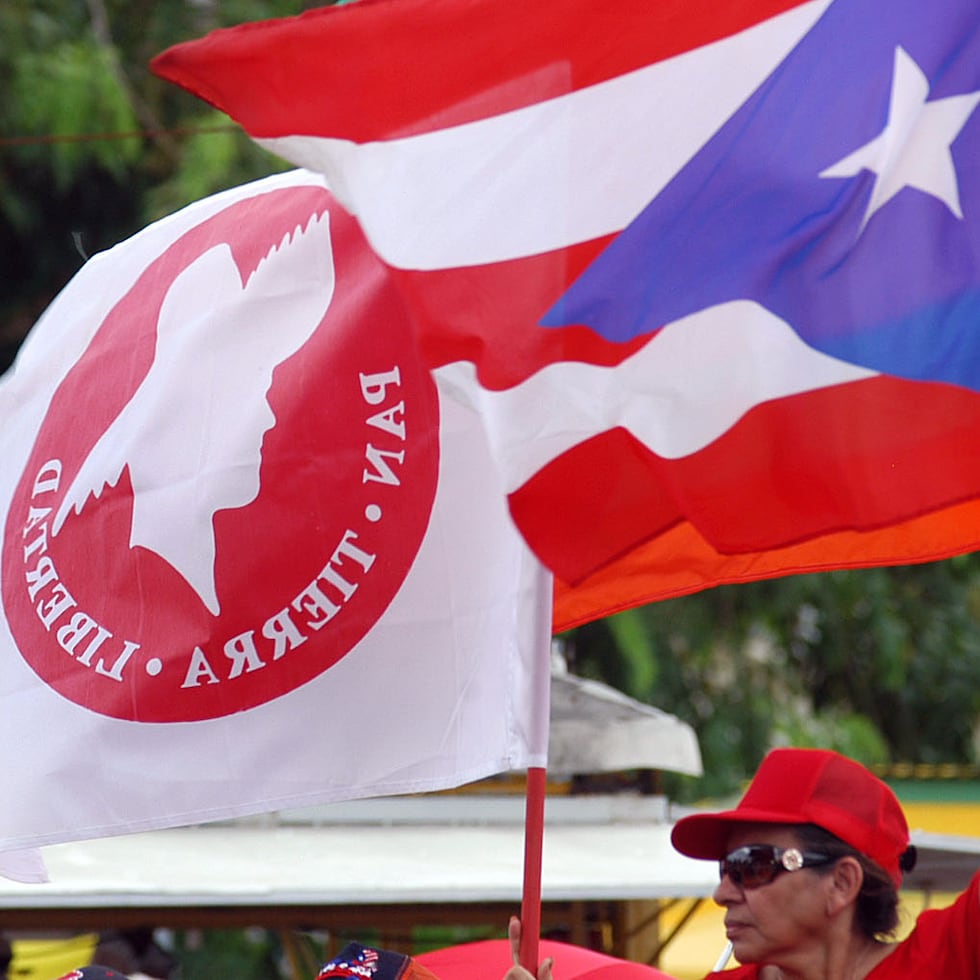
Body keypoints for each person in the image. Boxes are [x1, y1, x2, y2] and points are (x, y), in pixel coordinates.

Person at [504, 747, 980, 980]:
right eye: (724, 870)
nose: (721, 894)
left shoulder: (949, 960)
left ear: (841, 883)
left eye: (751, 866)